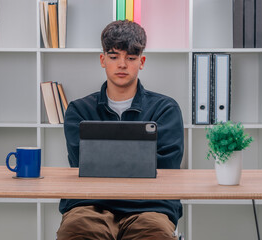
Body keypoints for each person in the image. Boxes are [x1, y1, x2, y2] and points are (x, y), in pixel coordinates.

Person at [57, 20, 184, 240]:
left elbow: (167, 166)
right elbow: (82, 163)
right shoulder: (79, 110)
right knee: (76, 232)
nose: (122, 64)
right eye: (114, 56)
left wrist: (107, 159)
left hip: (150, 206)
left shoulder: (165, 109)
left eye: (131, 58)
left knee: (155, 234)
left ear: (141, 61)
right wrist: (138, 161)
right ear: (102, 60)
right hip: (89, 204)